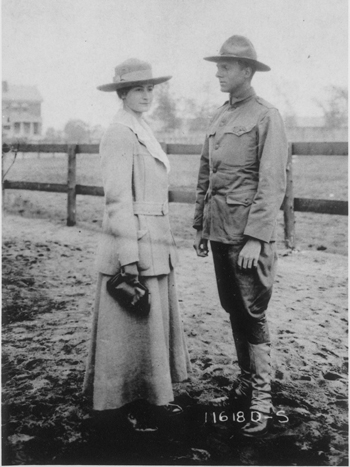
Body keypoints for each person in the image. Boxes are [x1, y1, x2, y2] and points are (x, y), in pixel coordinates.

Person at [83, 58, 191, 432]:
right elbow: (117, 201)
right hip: (133, 242)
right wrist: (128, 260)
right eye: (138, 89)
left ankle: (149, 398)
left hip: (153, 238)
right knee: (128, 326)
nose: (146, 95)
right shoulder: (119, 132)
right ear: (123, 93)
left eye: (150, 89)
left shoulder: (141, 127)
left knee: (147, 327)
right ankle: (116, 405)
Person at [193, 35, 288, 437]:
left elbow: (272, 183)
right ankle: (247, 383)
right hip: (219, 231)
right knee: (233, 309)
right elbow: (205, 174)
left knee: (252, 311)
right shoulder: (219, 116)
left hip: (247, 237)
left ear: (246, 71)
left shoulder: (267, 116)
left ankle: (262, 400)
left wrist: (256, 238)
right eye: (218, 66)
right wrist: (200, 224)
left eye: (225, 67)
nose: (218, 73)